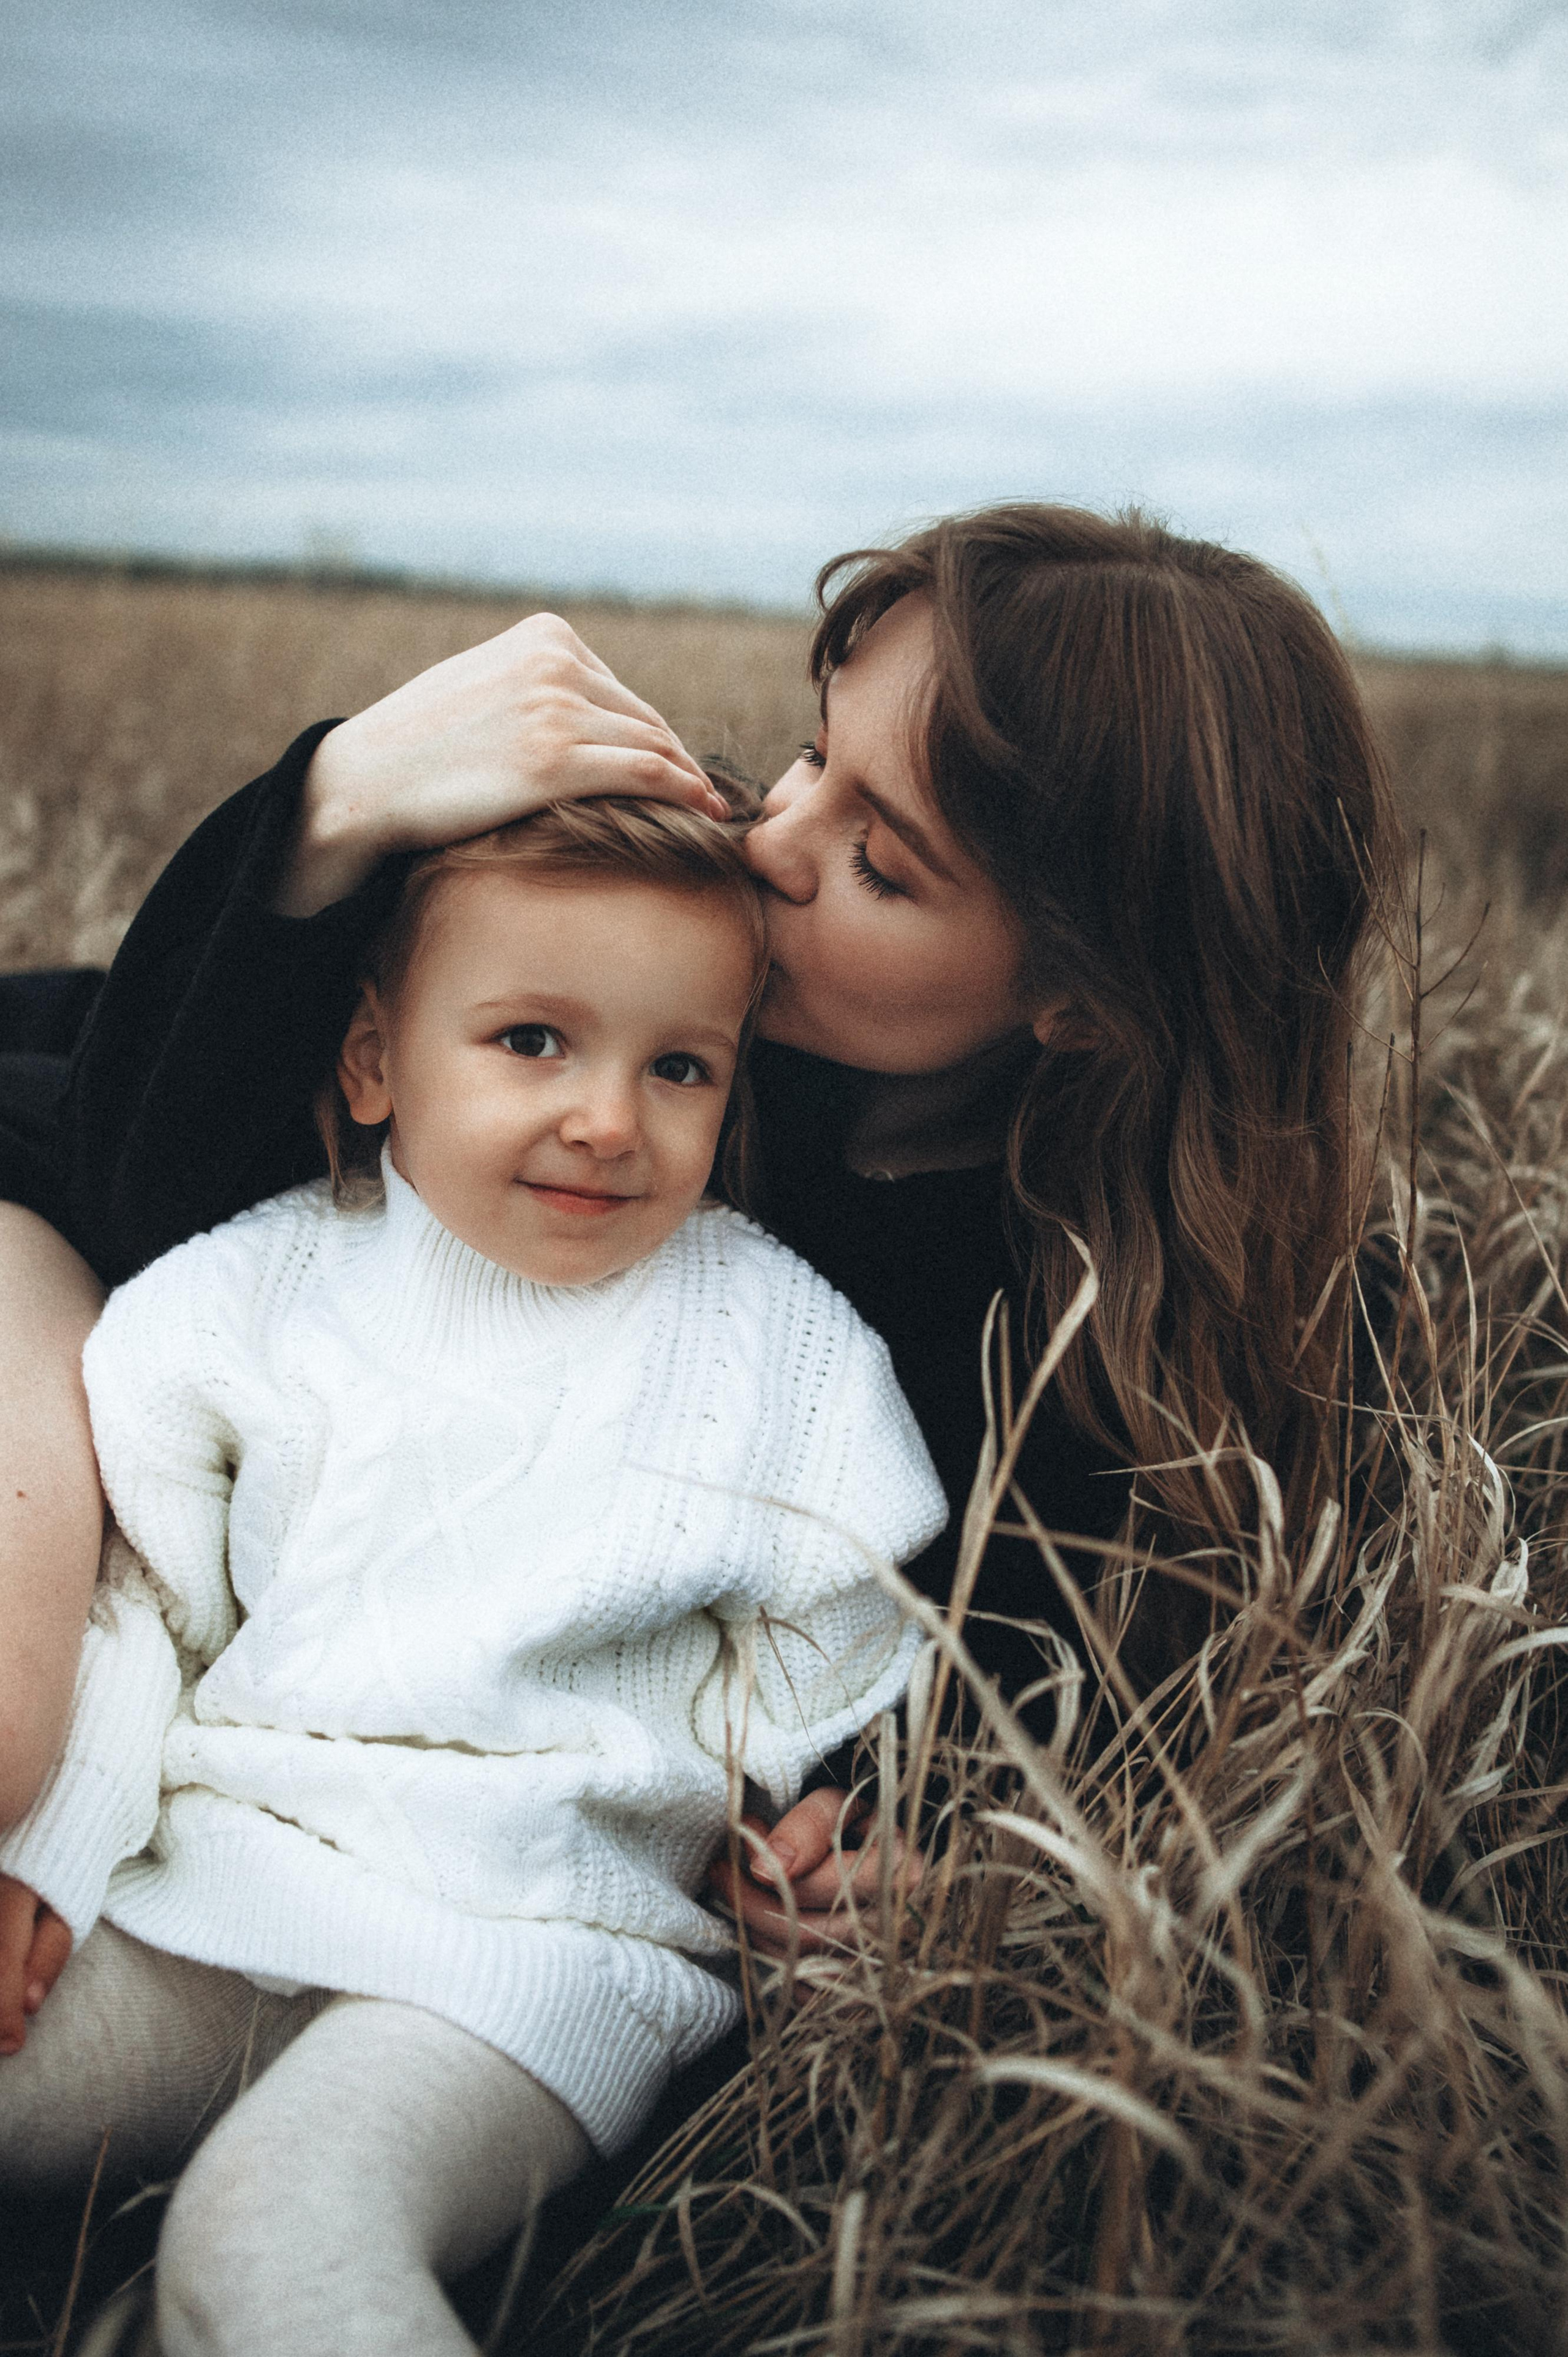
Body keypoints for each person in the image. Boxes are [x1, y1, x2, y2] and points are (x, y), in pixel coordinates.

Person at [0, 501, 1398, 2002]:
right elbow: (158, 1204)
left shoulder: (1148, 1325)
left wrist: (916, 1832)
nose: (765, 839)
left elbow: (1050, 1677)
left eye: (880, 859)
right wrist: (336, 800)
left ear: (1084, 996)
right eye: (813, 757)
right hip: (52, 1197)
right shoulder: (643, 932)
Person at [0, 793, 946, 2356]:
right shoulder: (253, 1292)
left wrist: (792, 1821)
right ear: (374, 1058)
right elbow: (150, 1601)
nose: (604, 1116)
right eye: (530, 1042)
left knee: (274, 2236)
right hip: (224, 1880)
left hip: (530, 1954)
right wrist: (69, 1835)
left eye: (677, 1066)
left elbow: (849, 1641)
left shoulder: (782, 1349)